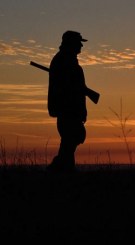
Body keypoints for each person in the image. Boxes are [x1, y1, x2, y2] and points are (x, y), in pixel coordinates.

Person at [47, 30, 89, 172]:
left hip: (70, 111)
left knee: (69, 145)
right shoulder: (63, 61)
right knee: (68, 145)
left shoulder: (66, 61)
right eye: (78, 43)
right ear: (71, 43)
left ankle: (62, 174)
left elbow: (76, 88)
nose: (81, 46)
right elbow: (66, 89)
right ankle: (57, 173)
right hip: (67, 111)